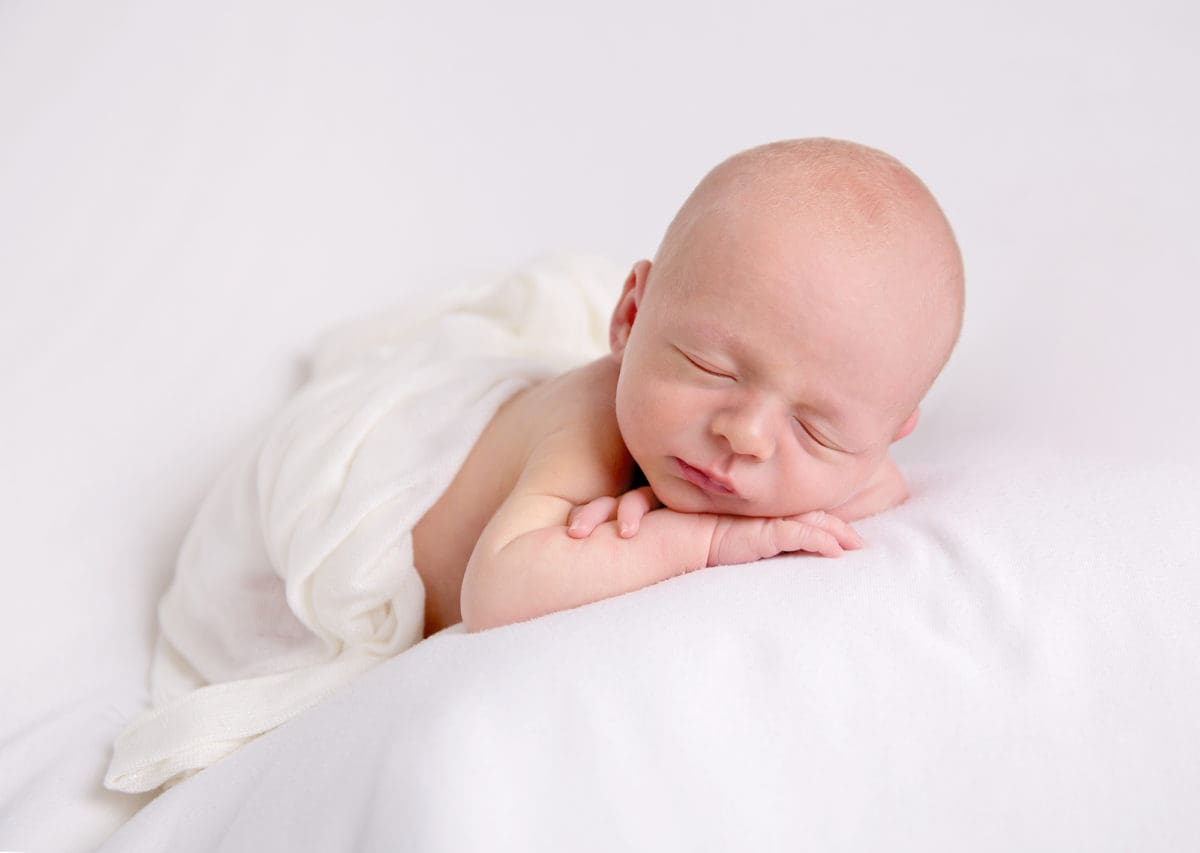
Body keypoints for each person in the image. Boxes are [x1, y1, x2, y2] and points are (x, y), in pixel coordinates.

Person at [415, 137, 965, 633]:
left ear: (889, 435)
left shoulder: (854, 447)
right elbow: (496, 592)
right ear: (630, 317)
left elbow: (880, 486)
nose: (745, 435)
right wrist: (704, 538)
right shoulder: (589, 418)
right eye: (712, 368)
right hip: (401, 492)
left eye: (815, 429)